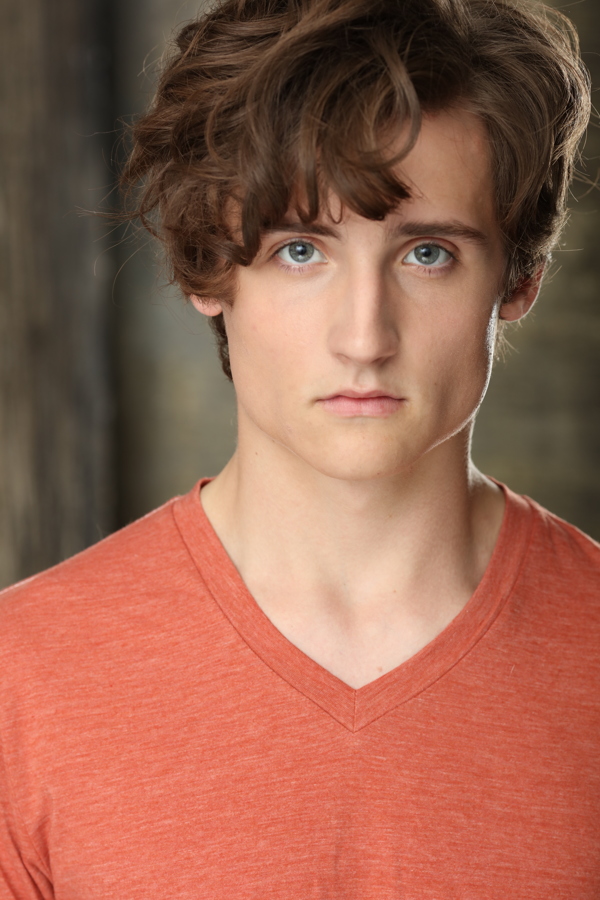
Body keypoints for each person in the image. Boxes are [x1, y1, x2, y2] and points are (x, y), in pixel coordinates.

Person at [1, 0, 598, 895]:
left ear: (517, 282)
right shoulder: (22, 681)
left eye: (427, 253)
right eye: (300, 251)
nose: (364, 337)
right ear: (206, 265)